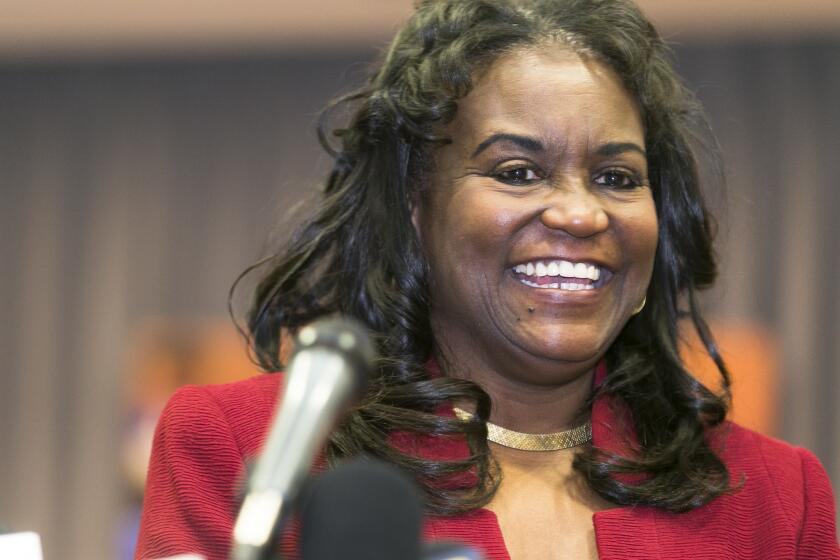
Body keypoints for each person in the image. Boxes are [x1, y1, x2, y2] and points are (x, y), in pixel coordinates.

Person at [135, 1, 840, 559]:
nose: (578, 212)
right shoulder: (239, 446)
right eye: (517, 172)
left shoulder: (777, 498)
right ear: (417, 210)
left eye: (617, 178)